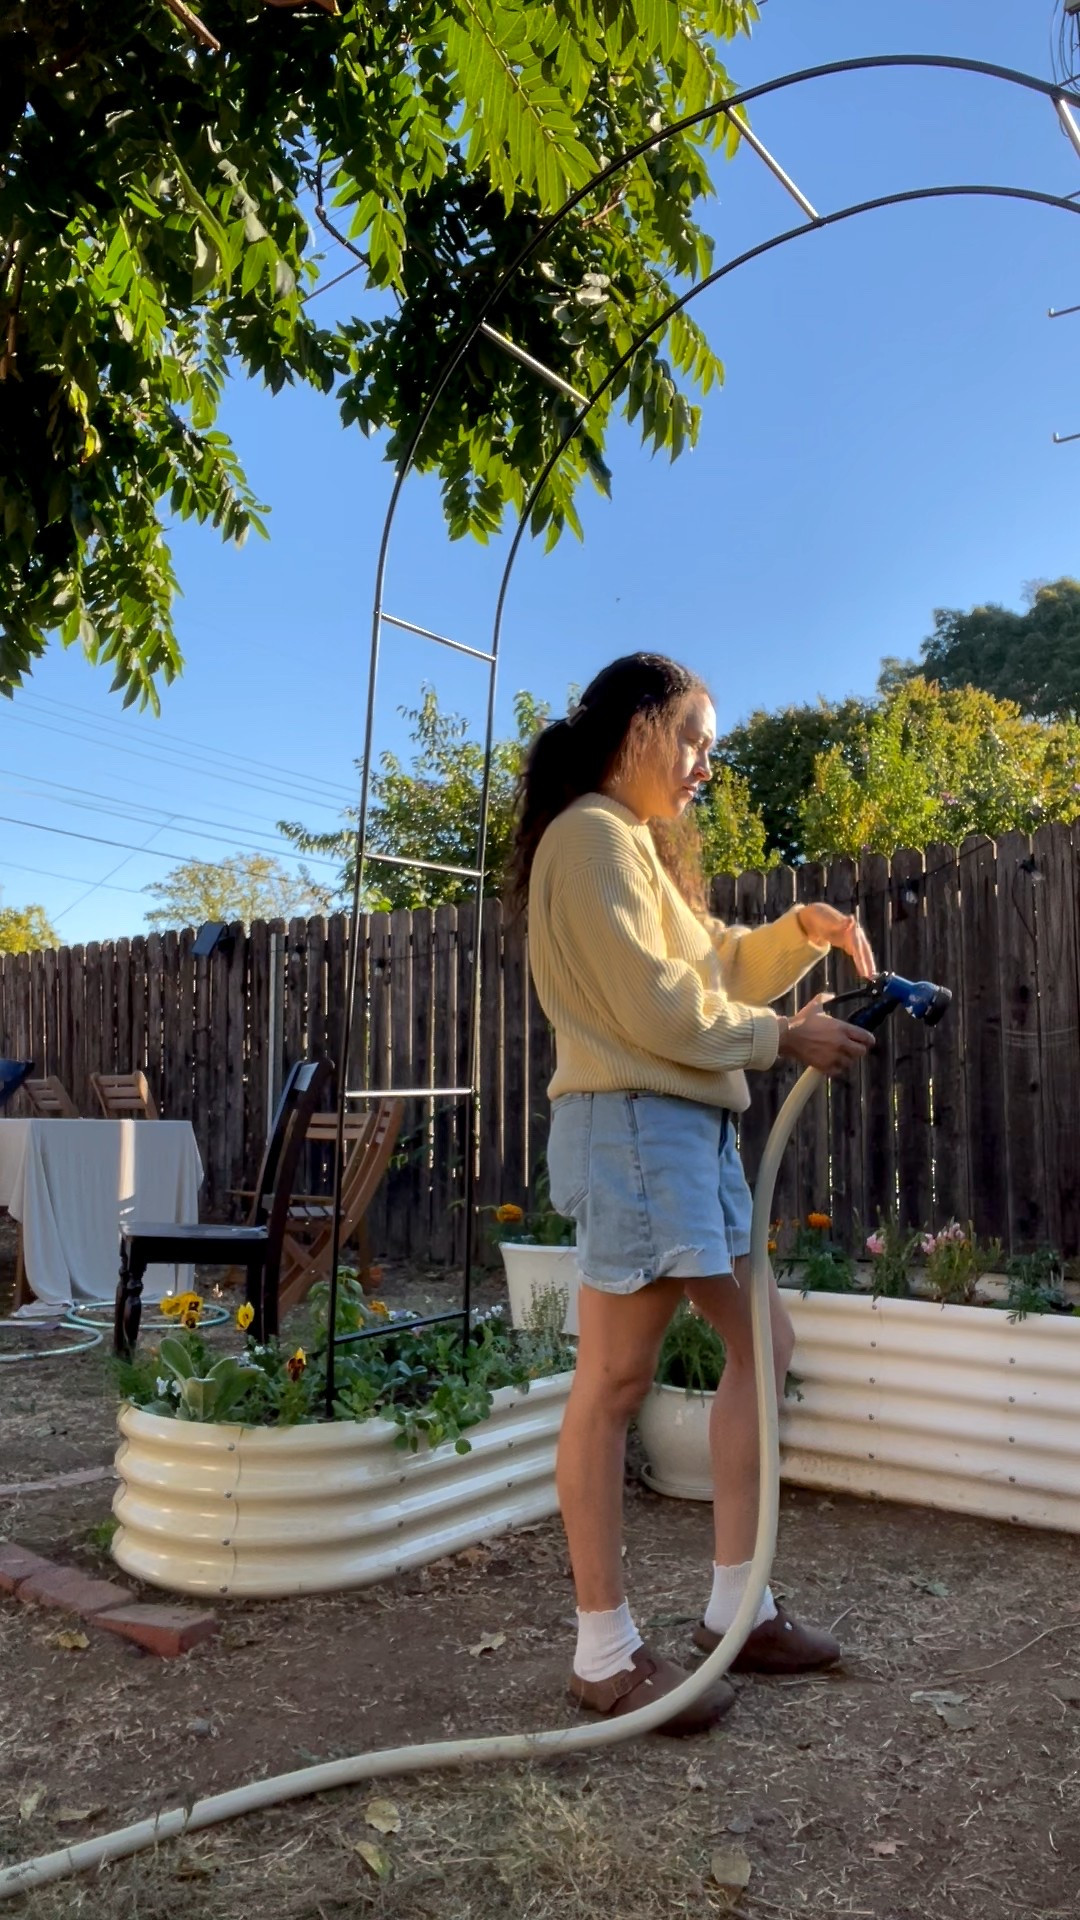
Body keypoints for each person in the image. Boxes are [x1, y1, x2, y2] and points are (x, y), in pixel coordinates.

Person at [508, 653, 876, 1735]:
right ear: (637, 727)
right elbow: (661, 1004)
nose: (706, 764)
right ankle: (604, 1652)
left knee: (765, 1347)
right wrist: (783, 1034)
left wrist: (791, 939)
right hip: (632, 1128)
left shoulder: (629, 848)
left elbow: (707, 963)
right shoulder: (586, 838)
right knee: (614, 1383)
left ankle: (737, 1609)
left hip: (684, 1131)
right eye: (696, 738)